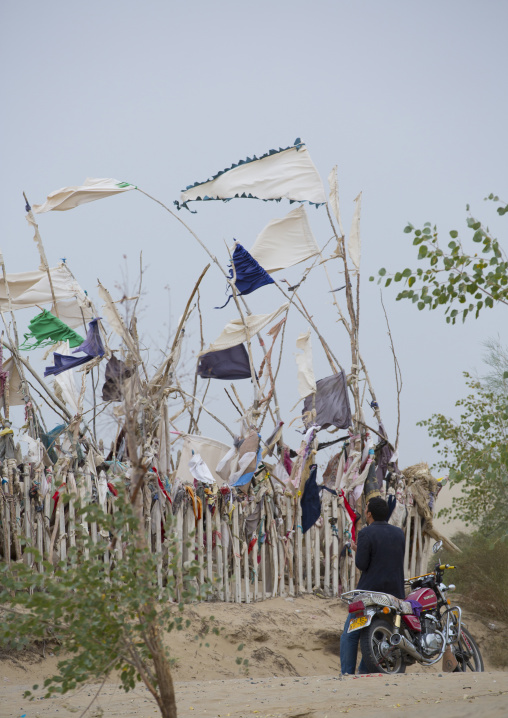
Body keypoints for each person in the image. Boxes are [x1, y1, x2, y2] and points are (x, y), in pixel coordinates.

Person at [339, 496, 405, 675]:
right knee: (379, 634)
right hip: (394, 595)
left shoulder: (366, 533)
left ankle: (347, 673)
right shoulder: (399, 533)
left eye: (366, 509)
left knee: (350, 634)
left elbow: (362, 564)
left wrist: (357, 549)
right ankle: (365, 671)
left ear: (369, 514)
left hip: (370, 593)